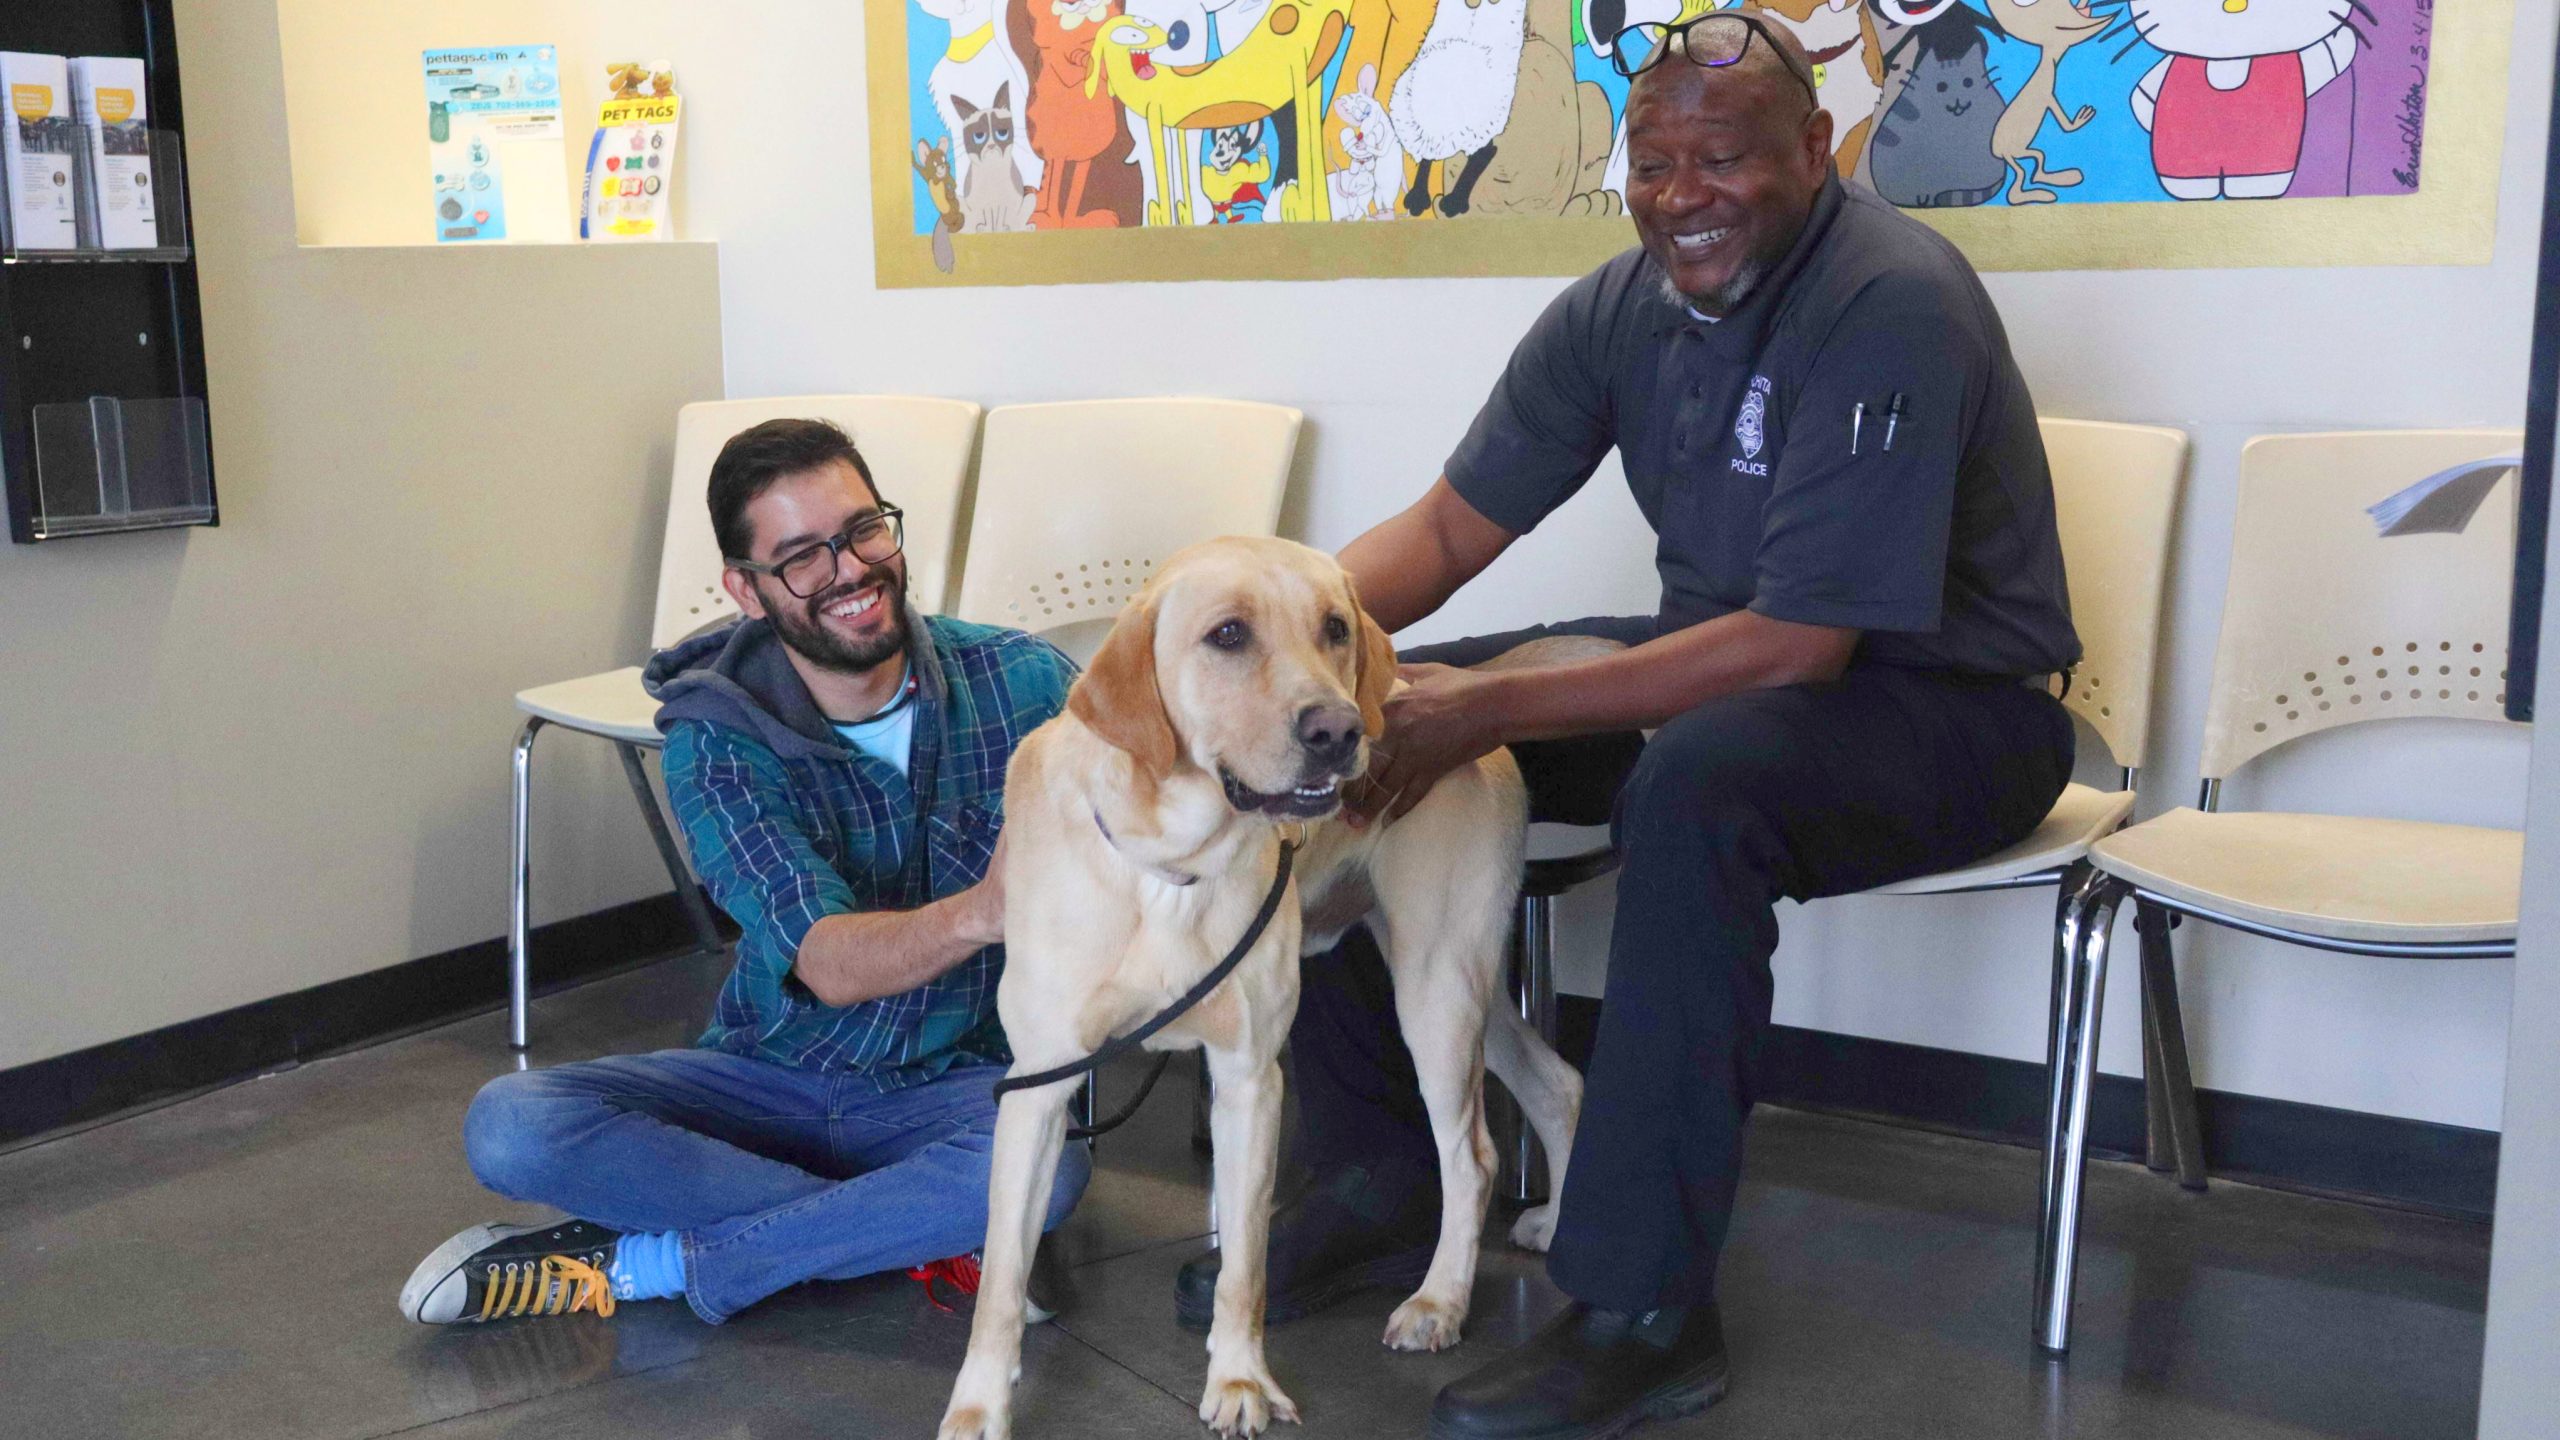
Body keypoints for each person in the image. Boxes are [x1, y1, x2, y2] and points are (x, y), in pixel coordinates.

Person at [1172, 16, 2082, 1438]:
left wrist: (1492, 708)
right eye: (1651, 164)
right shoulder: (1623, 306)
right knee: (1367, 717)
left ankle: (1644, 1305)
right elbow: (1447, 529)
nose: (1681, 196)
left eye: (1720, 159)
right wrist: (1300, 651)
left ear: (1816, 150)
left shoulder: (1891, 297)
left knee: (1698, 789)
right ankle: (1383, 1172)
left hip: (1949, 705)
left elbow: (1799, 643)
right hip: (1725, 658)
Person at [400, 418, 1089, 1328]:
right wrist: (984, 912)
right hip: (771, 1083)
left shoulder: (1027, 683)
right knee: (512, 1123)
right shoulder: (714, 740)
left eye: (864, 529)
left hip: (950, 1083)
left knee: (1055, 1165)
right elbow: (831, 966)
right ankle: (903, 1227)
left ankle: (654, 1261)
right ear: (746, 591)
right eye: (802, 556)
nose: (849, 571)